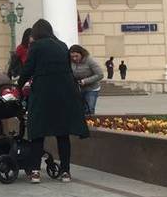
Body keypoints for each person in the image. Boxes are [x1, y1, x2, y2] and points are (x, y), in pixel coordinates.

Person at [18, 19, 89, 184]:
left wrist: (19, 85)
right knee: (62, 133)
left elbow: (28, 68)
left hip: (43, 93)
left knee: (37, 132)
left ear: (36, 33)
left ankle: (35, 171)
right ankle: (65, 171)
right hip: (64, 93)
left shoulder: (36, 46)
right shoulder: (62, 45)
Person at [69, 45, 104, 115]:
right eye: (72, 56)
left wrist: (85, 81)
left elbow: (100, 74)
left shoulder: (89, 60)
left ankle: (90, 124)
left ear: (81, 54)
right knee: (79, 109)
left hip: (92, 88)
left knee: (89, 108)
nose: (74, 58)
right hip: (78, 88)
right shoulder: (70, 61)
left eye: (76, 56)